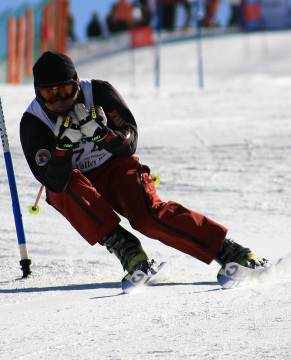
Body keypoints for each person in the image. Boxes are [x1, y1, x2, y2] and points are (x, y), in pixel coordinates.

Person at [20, 51, 268, 280]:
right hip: (77, 182)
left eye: (65, 90)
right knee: (61, 189)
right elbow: (51, 180)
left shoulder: (98, 92)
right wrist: (62, 148)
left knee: (146, 217)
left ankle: (229, 250)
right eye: (49, 95)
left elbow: (129, 142)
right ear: (37, 93)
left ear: (76, 83)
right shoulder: (34, 122)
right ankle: (129, 251)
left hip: (115, 167)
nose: (59, 101)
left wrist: (102, 134)